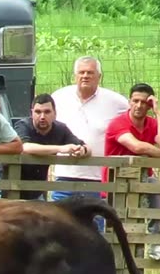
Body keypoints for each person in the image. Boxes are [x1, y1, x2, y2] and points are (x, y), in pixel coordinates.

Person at [51, 56, 129, 200]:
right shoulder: (59, 98)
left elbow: (133, 123)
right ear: (75, 76)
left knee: (94, 221)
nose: (85, 76)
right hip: (65, 175)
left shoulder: (117, 102)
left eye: (90, 72)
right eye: (81, 72)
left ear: (99, 76)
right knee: (60, 221)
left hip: (97, 177)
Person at [105, 83, 160, 259]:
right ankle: (111, 257)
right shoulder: (118, 123)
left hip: (143, 178)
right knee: (116, 225)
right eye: (135, 101)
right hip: (115, 181)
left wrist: (159, 113)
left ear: (149, 105)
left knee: (155, 192)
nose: (139, 106)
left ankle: (155, 245)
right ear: (129, 101)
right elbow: (137, 147)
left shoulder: (152, 123)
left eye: (143, 102)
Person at [16, 94, 89, 202]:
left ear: (55, 114)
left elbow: (85, 146)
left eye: (47, 112)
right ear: (31, 113)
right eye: (38, 112)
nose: (42, 117)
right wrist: (60, 149)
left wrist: (82, 151)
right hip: (7, 182)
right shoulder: (23, 125)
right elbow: (25, 147)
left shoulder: (60, 129)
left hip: (36, 190)